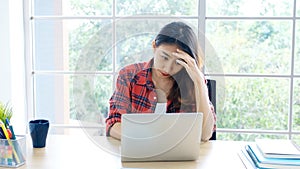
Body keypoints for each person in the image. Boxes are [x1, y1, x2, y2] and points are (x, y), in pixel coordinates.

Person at [105, 21, 216, 141]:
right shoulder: (128, 75)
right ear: (154, 46)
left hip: (180, 156)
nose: (168, 68)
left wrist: (199, 82)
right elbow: (113, 124)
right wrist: (145, 139)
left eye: (178, 62)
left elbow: (205, 134)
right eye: (164, 57)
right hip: (140, 152)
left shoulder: (192, 82)